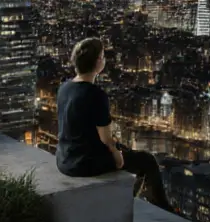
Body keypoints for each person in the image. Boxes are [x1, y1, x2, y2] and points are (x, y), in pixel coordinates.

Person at [55, 37, 171, 209]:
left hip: (64, 157)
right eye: (103, 56)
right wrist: (117, 154)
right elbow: (106, 139)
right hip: (84, 162)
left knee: (128, 151)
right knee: (147, 161)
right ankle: (156, 207)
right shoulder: (95, 94)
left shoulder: (64, 87)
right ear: (98, 62)